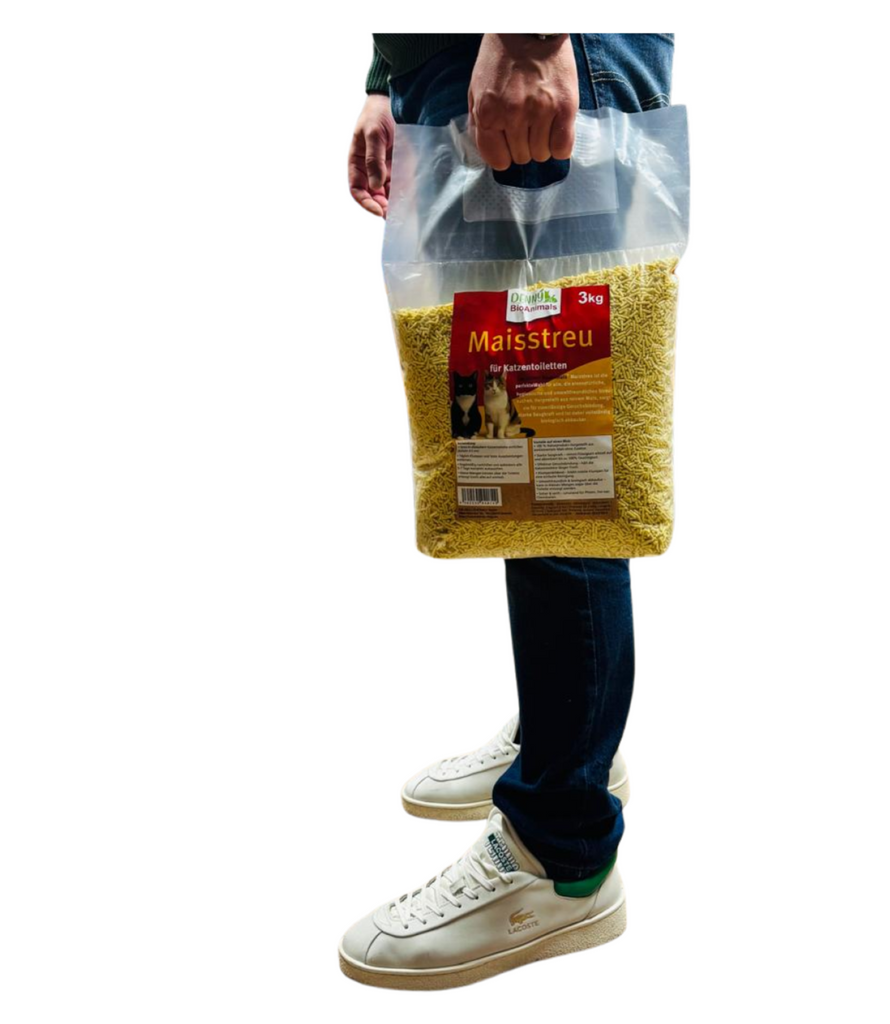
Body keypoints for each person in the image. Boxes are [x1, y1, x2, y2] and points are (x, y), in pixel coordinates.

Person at [340, 33, 675, 990]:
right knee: (520, 443)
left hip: (533, 55)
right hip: (464, 56)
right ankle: (566, 742)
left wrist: (531, 37)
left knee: (565, 454)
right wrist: (389, 76)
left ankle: (559, 853)